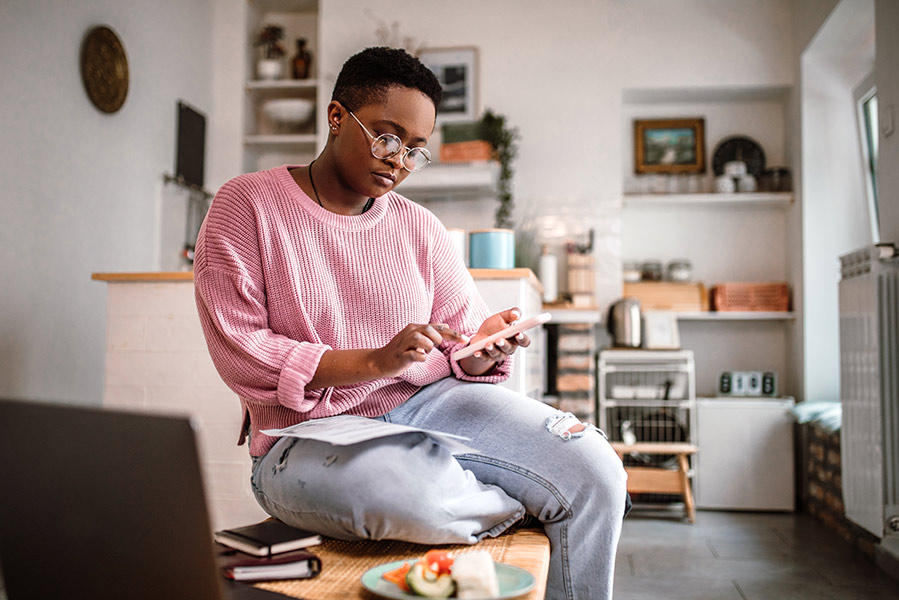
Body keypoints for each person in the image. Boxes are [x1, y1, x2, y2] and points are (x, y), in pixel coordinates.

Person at [194, 46, 627, 600]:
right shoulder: (246, 205)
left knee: (596, 470)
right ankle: (531, 502)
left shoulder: (419, 226)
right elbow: (242, 350)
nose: (398, 160)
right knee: (400, 493)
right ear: (335, 117)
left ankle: (516, 493)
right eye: (387, 136)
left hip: (431, 406)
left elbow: (460, 346)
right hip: (301, 435)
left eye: (416, 150)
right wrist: (375, 362)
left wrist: (484, 349)